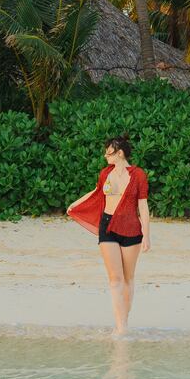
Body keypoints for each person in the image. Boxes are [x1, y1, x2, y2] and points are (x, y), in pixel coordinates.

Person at [67, 135, 150, 335]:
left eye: (109, 152)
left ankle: (124, 320)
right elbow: (96, 192)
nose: (105, 156)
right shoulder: (105, 173)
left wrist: (146, 235)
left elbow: (143, 206)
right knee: (115, 279)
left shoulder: (138, 175)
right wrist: (75, 204)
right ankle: (120, 327)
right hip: (107, 227)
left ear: (120, 153)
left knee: (128, 279)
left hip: (131, 229)